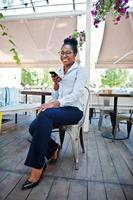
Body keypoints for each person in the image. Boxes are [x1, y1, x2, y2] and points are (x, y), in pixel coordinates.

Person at [21, 37, 86, 190]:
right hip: (60, 109)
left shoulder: (80, 71)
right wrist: (56, 86)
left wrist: (54, 104)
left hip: (74, 110)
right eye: (62, 53)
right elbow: (56, 96)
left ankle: (37, 167)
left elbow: (76, 94)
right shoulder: (58, 70)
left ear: (75, 54)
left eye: (68, 53)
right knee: (33, 127)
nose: (64, 56)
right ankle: (53, 148)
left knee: (46, 114)